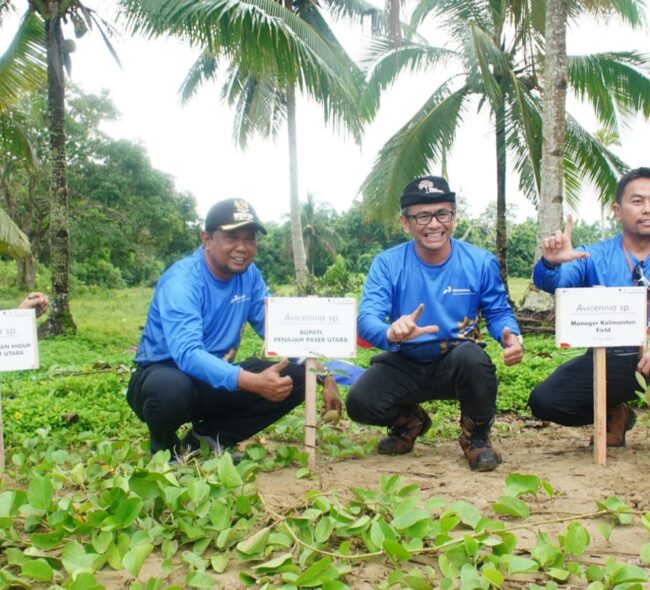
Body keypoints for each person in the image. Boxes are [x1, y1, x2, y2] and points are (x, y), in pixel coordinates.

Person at [127, 198, 341, 461]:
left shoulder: (249, 276)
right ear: (206, 239)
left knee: (297, 377)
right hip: (162, 375)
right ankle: (164, 448)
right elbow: (188, 354)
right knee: (171, 389)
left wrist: (325, 376)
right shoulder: (182, 281)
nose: (242, 248)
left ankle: (207, 439)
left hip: (211, 378)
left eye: (250, 239)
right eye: (232, 237)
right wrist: (253, 382)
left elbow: (280, 329)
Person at [346, 175, 523, 472]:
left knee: (473, 358)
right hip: (405, 360)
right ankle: (410, 422)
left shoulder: (480, 262)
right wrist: (390, 331)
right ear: (406, 223)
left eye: (442, 214)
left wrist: (511, 336)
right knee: (360, 402)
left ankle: (476, 437)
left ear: (453, 218)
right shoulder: (387, 264)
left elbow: (498, 312)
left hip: (455, 361)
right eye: (423, 216)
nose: (434, 224)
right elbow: (366, 320)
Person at [529, 167, 650, 447]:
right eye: (638, 201)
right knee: (545, 400)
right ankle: (615, 413)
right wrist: (552, 263)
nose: (647, 209)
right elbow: (558, 282)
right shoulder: (591, 256)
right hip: (610, 358)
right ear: (617, 211)